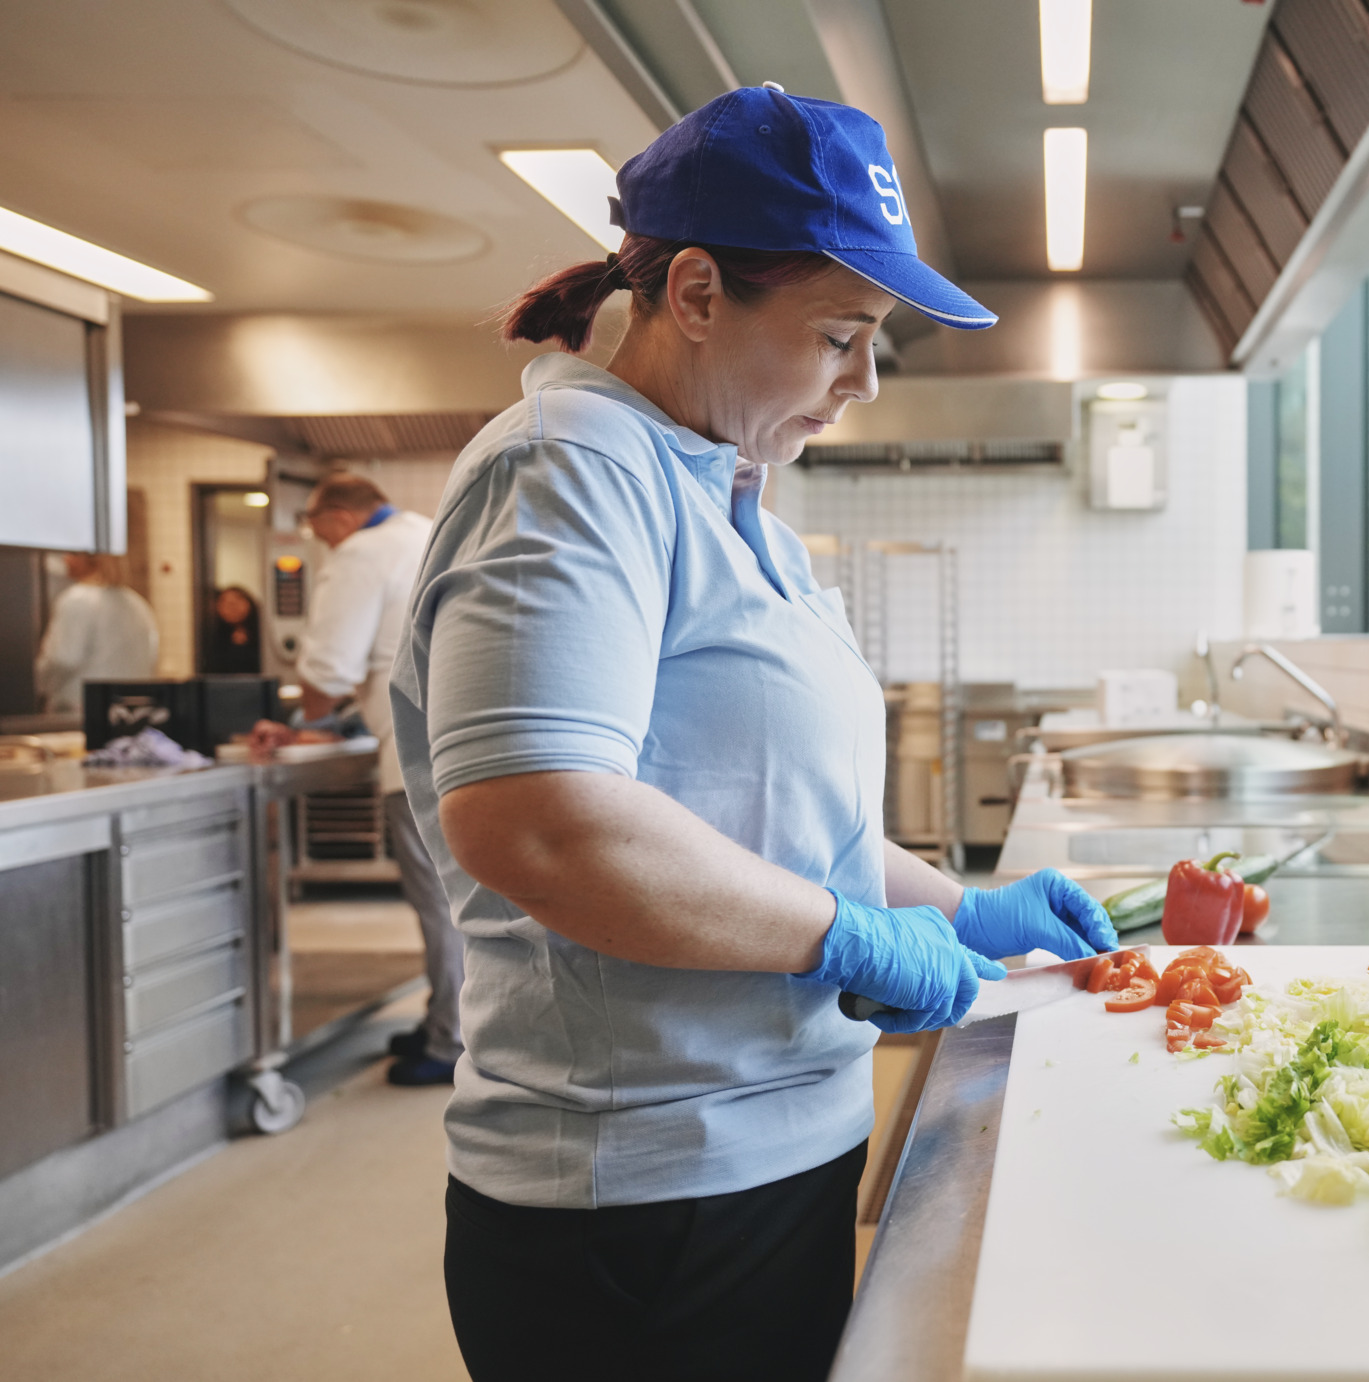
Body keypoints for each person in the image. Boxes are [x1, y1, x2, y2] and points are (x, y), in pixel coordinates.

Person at [390, 85, 1113, 1381]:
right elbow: (537, 816)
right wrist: (840, 937)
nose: (864, 382)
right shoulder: (569, 470)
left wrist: (958, 906)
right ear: (698, 292)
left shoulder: (738, 508)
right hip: (639, 1199)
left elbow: (781, 821)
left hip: (771, 1149)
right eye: (841, 333)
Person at [294, 471, 458, 1087]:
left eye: (315, 532)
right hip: (458, 738)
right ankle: (448, 1019)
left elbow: (328, 670)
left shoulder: (361, 552)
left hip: (414, 751)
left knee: (439, 905)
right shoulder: (424, 530)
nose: (319, 543)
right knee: (463, 900)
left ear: (336, 516)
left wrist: (303, 717)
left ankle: (451, 1042)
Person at [36, 552, 158, 714]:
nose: (65, 559)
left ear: (88, 559)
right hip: (128, 712)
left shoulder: (77, 600)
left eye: (72, 553)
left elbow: (63, 659)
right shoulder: (138, 603)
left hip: (81, 710)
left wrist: (35, 686)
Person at [203, 585, 262, 674]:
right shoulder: (211, 638)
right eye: (225, 602)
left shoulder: (263, 635)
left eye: (238, 599)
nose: (232, 605)